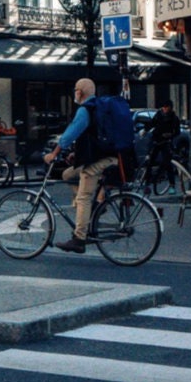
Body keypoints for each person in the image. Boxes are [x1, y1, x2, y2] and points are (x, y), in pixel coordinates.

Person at [43, 79, 127, 254]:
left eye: (75, 90)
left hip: (99, 161)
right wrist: (76, 154)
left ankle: (79, 238)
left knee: (83, 197)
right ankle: (92, 208)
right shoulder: (99, 107)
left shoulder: (85, 110)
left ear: (80, 92)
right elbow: (92, 136)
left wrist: (54, 153)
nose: (74, 93)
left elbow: (70, 134)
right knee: (68, 174)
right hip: (112, 157)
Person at [147, 99, 181, 187]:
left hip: (166, 141)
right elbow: (152, 124)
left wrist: (171, 135)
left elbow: (177, 131)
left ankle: (171, 183)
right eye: (163, 107)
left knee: (167, 162)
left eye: (166, 107)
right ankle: (147, 179)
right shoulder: (158, 115)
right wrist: (145, 129)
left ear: (170, 108)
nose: (164, 109)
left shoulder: (174, 118)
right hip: (157, 140)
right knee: (151, 160)